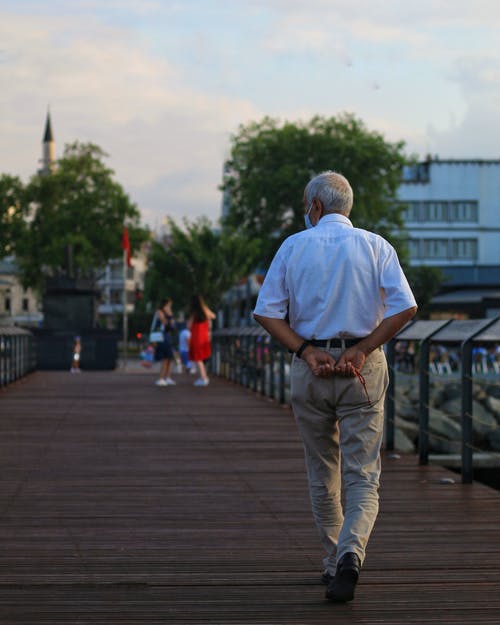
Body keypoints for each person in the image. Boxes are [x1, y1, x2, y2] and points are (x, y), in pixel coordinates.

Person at [253, 171, 417, 603]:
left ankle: (332, 562)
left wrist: (306, 351)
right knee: (363, 475)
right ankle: (351, 553)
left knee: (322, 469)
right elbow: (406, 307)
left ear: (316, 207)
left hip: (312, 370)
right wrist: (362, 349)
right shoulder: (376, 245)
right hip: (361, 370)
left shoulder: (293, 246)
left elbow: (266, 313)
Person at [188, 294, 216, 386]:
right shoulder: (205, 309)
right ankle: (203, 377)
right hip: (204, 337)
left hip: (196, 337)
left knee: (198, 358)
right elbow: (213, 316)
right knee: (200, 358)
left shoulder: (194, 312)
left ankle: (203, 378)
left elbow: (188, 325)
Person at [154, 298, 176, 386]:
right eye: (168, 305)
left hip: (167, 337)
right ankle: (161, 378)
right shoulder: (159, 312)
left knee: (169, 358)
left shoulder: (168, 314)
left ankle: (167, 377)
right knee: (165, 358)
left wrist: (170, 317)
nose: (169, 307)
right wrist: (170, 316)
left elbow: (173, 326)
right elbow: (166, 322)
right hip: (161, 337)